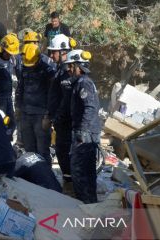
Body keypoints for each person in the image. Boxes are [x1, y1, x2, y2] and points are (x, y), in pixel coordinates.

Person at [65, 49, 101, 203]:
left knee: (79, 171)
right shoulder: (81, 82)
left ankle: (85, 205)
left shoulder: (84, 83)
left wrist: (83, 131)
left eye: (71, 66)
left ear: (78, 66)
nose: (69, 69)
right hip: (86, 132)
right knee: (87, 171)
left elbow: (90, 108)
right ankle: (90, 204)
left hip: (85, 133)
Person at [44, 34, 76, 188]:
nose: (51, 55)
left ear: (63, 51)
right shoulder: (59, 70)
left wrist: (54, 118)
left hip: (67, 123)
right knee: (61, 152)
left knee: (66, 153)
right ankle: (68, 182)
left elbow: (66, 102)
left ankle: (72, 186)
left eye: (54, 52)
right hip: (60, 122)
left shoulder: (67, 73)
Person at [15, 43, 55, 164]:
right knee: (29, 149)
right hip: (26, 113)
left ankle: (45, 176)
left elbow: (52, 95)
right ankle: (32, 175)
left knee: (42, 150)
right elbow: (20, 88)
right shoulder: (25, 67)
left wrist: (48, 116)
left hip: (41, 115)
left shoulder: (48, 71)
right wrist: (18, 107)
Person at [14, 30, 43, 146]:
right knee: (28, 142)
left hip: (39, 109)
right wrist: (18, 105)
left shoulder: (44, 62)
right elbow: (20, 84)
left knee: (40, 145)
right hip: (27, 107)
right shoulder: (21, 59)